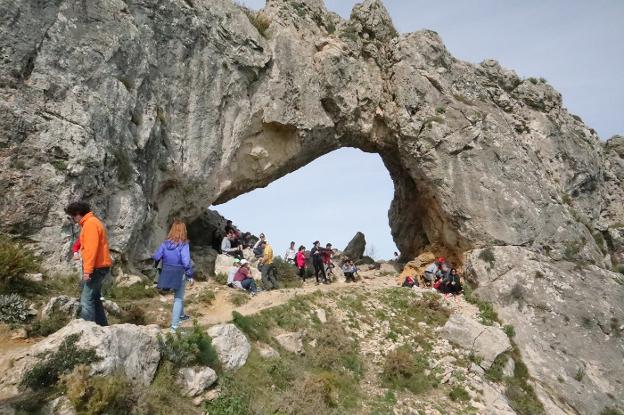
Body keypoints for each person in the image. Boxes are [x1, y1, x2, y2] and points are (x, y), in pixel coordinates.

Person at [65, 201, 112, 326]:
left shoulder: (90, 224)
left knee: (86, 300)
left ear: (78, 214)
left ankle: (87, 329)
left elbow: (91, 249)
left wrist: (87, 271)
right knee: (95, 298)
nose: (73, 220)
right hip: (100, 266)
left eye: (72, 216)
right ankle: (102, 327)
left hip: (96, 268)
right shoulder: (91, 222)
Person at [153, 219, 194, 332]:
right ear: (183, 231)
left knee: (178, 298)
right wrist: (190, 275)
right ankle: (174, 327)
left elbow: (156, 256)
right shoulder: (184, 244)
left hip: (167, 271)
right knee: (178, 298)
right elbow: (186, 261)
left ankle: (181, 316)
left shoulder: (165, 243)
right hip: (179, 272)